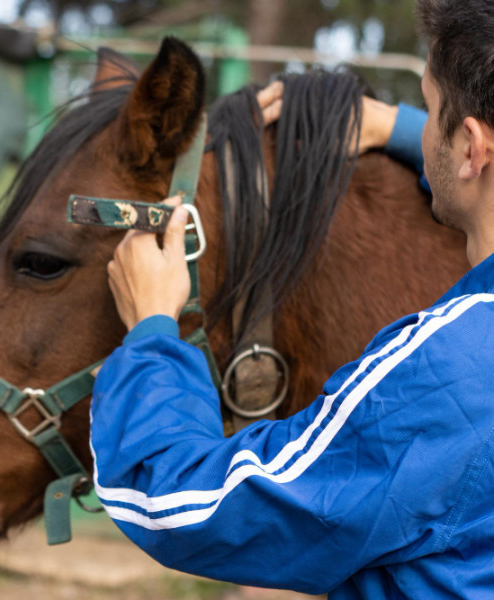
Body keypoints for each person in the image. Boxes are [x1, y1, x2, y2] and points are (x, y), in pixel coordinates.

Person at [89, 1, 494, 597]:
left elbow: (182, 506)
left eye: (429, 111)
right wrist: (396, 128)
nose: (423, 125)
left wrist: (152, 330)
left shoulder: (448, 372)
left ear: (472, 149)